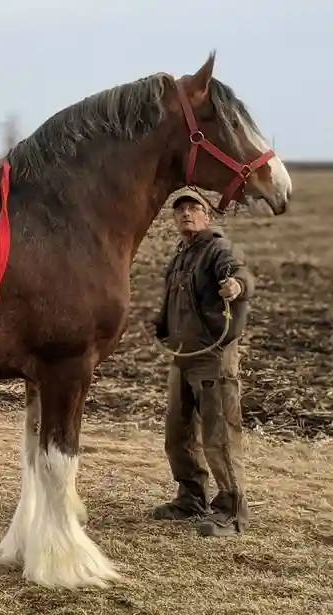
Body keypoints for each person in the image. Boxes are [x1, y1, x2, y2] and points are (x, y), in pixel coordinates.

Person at [145, 186, 255, 537]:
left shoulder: (218, 249)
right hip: (183, 356)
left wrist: (236, 287)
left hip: (213, 358)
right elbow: (171, 298)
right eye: (179, 210)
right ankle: (190, 499)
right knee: (178, 434)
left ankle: (232, 512)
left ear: (207, 214)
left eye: (193, 208)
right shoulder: (181, 254)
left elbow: (241, 275)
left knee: (219, 435)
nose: (185, 214)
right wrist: (161, 326)